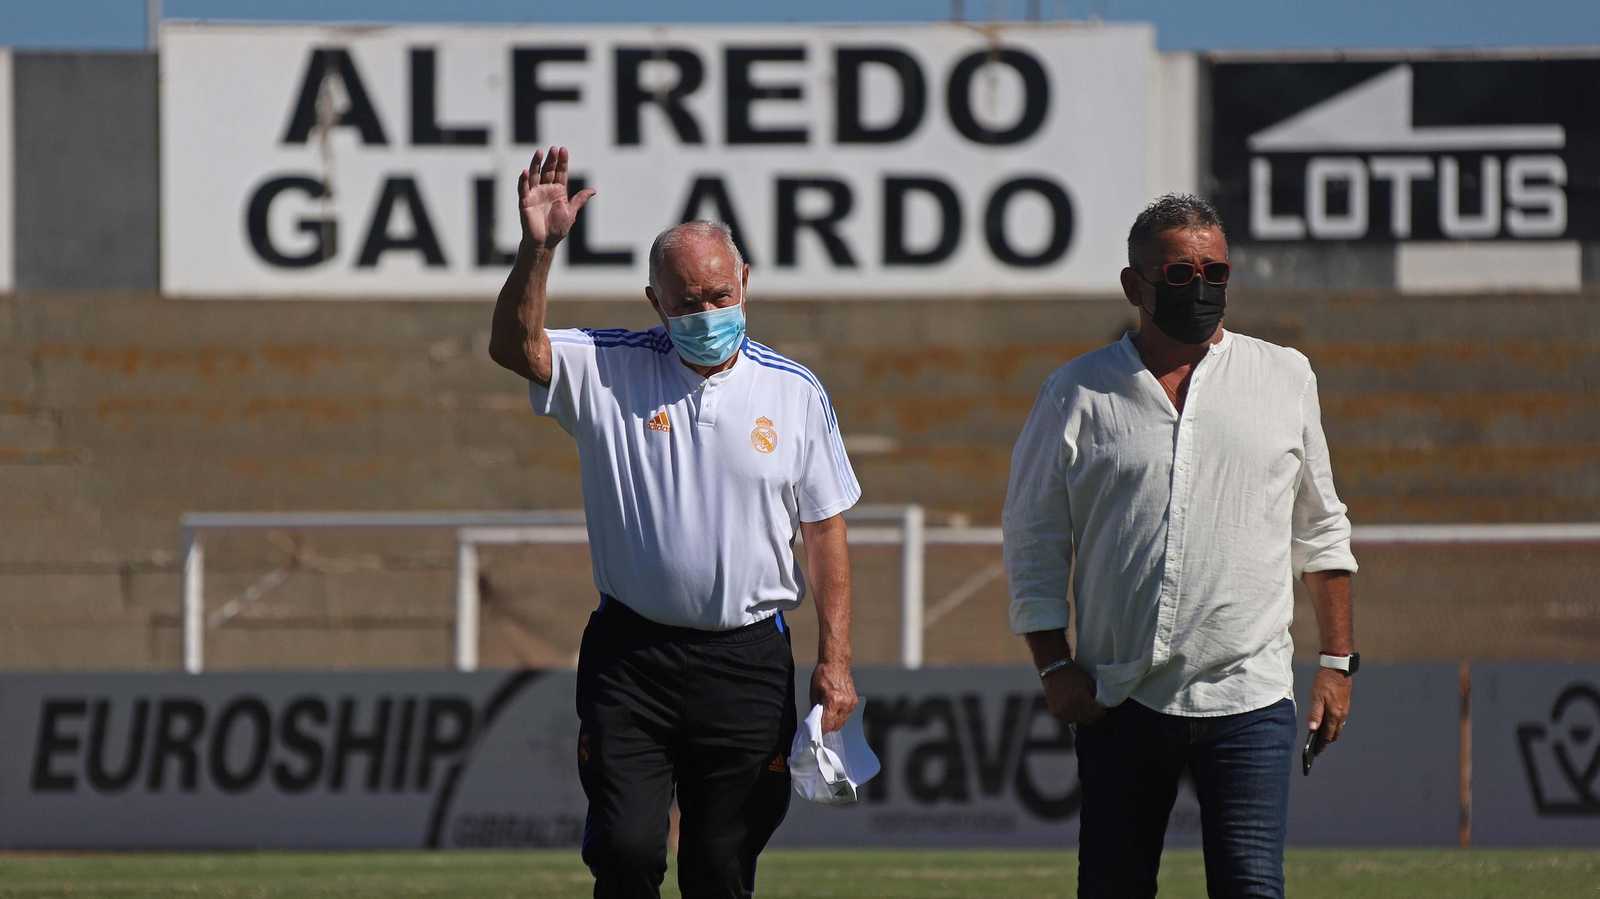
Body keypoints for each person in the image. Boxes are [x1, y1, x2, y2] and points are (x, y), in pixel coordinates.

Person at [488, 147, 861, 899]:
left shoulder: (794, 391)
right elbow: (515, 348)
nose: (707, 314)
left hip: (748, 660)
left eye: (720, 294)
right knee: (627, 851)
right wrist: (538, 250)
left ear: (746, 282)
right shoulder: (608, 365)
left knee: (720, 868)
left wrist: (836, 659)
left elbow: (825, 533)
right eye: (687, 301)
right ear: (655, 301)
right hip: (633, 656)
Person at [1002, 194, 1358, 899]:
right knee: (1114, 886)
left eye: (1215, 271)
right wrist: (1054, 665)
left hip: (1250, 694)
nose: (1201, 288)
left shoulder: (1285, 376)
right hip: (1120, 697)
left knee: (1253, 886)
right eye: (1179, 273)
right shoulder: (1075, 392)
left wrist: (1339, 663)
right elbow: (1034, 538)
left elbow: (1322, 528)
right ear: (1135, 286)